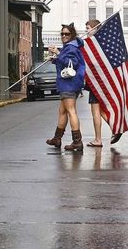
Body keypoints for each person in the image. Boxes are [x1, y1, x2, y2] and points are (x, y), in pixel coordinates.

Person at [45, 23, 86, 151]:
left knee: (71, 111)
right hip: (69, 83)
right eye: (62, 34)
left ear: (72, 35)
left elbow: (71, 63)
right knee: (62, 111)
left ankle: (77, 142)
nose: (64, 36)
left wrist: (57, 52)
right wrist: (56, 59)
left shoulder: (71, 47)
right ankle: (57, 139)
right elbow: (66, 62)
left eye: (67, 34)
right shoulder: (71, 46)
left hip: (69, 83)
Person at [83, 19, 122, 147]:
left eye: (88, 28)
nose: (86, 31)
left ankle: (98, 139)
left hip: (96, 82)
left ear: (95, 29)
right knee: (99, 111)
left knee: (95, 112)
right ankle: (115, 128)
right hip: (100, 82)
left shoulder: (93, 44)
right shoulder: (102, 43)